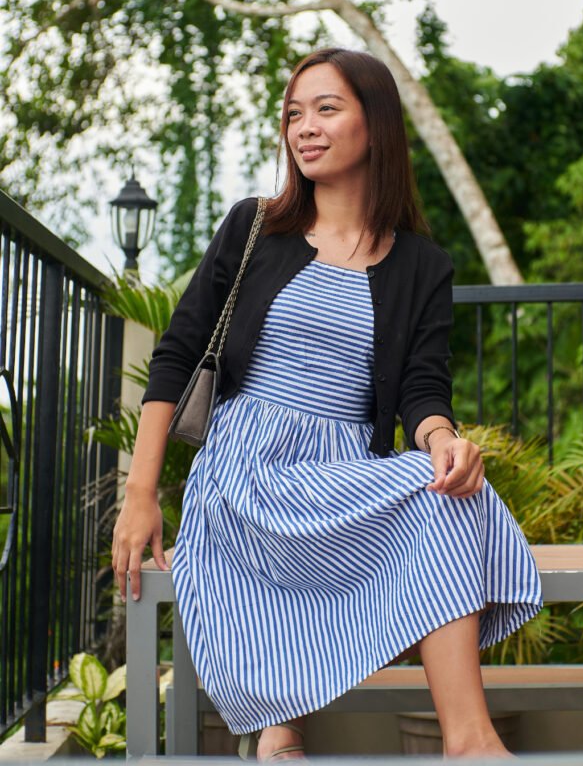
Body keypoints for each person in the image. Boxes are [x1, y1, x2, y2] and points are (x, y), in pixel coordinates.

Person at [112, 48, 542, 761]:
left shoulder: (421, 265)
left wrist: (441, 441)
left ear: (375, 125)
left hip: (345, 470)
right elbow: (176, 354)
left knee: (449, 487)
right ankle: (283, 728)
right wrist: (140, 489)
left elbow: (421, 390)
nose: (303, 127)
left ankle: (468, 742)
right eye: (292, 113)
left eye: (325, 109)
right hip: (249, 467)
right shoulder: (254, 227)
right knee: (434, 493)